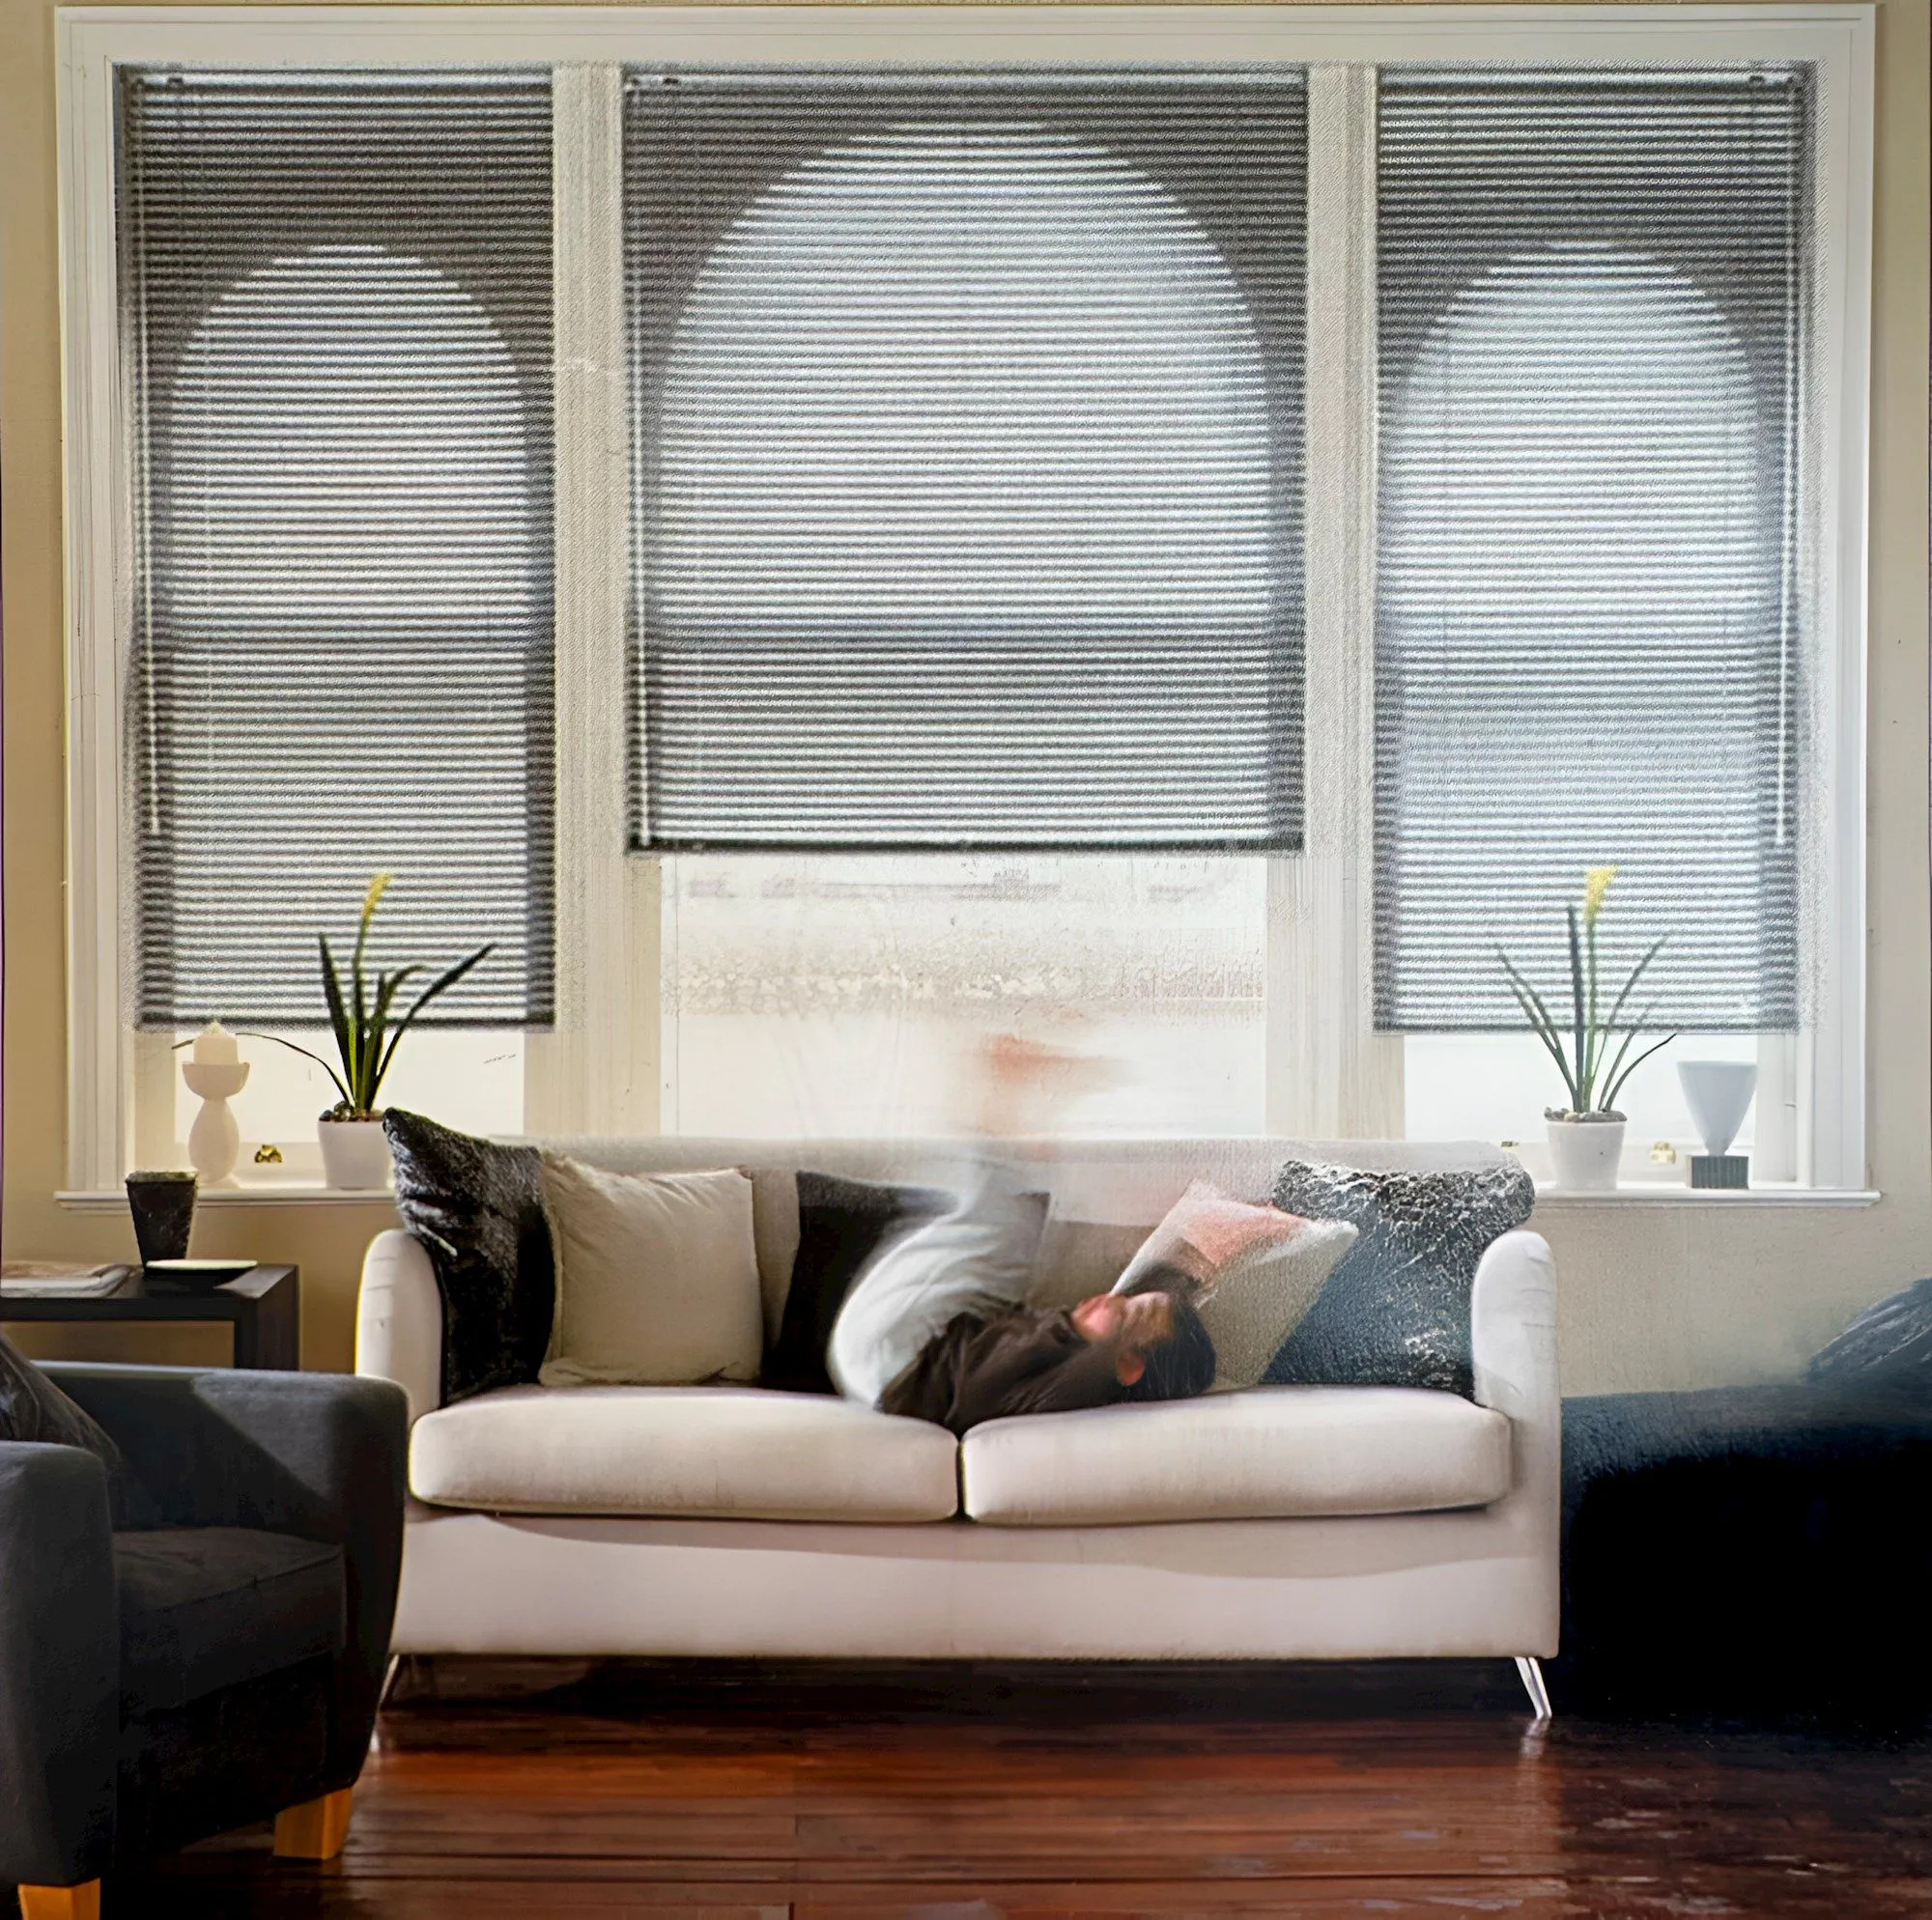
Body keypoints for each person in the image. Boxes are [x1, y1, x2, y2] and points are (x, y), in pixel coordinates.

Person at [826, 1036, 1217, 1436]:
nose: (1116, 1295)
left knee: (1005, 1237)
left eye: (1131, 1312)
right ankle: (1007, 1120)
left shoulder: (1084, 1371)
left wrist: (1209, 1245)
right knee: (1003, 1250)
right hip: (885, 1360)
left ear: (1129, 1363)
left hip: (894, 1357)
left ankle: (1002, 1105)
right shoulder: (1062, 1361)